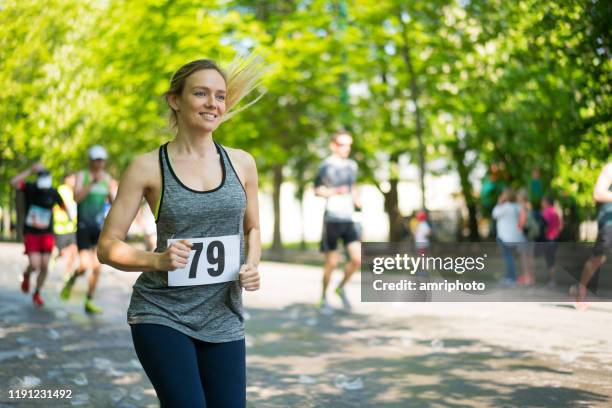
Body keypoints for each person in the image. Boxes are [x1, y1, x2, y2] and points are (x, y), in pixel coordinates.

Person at [97, 57, 263, 408]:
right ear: (175, 99)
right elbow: (108, 246)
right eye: (200, 93)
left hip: (224, 314)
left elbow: (252, 227)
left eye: (219, 96)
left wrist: (252, 264)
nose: (212, 103)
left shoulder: (243, 162)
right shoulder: (147, 166)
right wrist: (157, 260)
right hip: (162, 313)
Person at [60, 145, 117, 314]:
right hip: (84, 226)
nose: (100, 163)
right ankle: (71, 280)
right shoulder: (82, 176)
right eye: (96, 160)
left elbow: (114, 202)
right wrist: (92, 183)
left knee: (98, 267)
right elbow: (76, 198)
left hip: (99, 228)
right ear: (91, 161)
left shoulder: (107, 178)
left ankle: (89, 300)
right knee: (84, 266)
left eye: (102, 160)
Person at [314, 130, 362, 311]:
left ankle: (340, 288)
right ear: (333, 145)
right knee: (332, 263)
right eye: (342, 145)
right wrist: (335, 192)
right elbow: (317, 190)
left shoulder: (352, 165)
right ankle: (323, 297)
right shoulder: (326, 166)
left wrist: (356, 197)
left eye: (349, 145)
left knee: (357, 259)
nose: (346, 149)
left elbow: (353, 186)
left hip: (349, 219)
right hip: (332, 219)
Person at [10, 163, 67, 307]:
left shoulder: (53, 192)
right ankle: (27, 274)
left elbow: (64, 206)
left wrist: (64, 215)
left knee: (45, 266)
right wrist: (30, 170)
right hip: (31, 233)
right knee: (35, 265)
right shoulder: (30, 188)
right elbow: (13, 182)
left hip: (47, 234)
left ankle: (37, 293)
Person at [572, 162, 612, 306]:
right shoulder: (610, 168)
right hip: (609, 222)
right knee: (599, 257)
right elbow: (598, 193)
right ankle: (580, 288)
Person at [492, 188, 527, 284]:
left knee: (508, 257)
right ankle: (512, 276)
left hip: (504, 236)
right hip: (514, 236)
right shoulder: (516, 206)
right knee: (510, 256)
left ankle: (511, 278)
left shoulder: (505, 206)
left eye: (503, 194)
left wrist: (499, 203)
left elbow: (494, 214)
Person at [52, 173, 79, 280]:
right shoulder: (61, 190)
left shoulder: (76, 191)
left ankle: (67, 273)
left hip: (73, 227)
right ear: (66, 179)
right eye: (72, 178)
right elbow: (55, 207)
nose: (74, 181)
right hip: (61, 228)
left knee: (74, 251)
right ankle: (55, 256)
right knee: (63, 252)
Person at [540, 196, 563, 286]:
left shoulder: (546, 212)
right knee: (552, 258)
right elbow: (560, 225)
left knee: (550, 259)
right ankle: (551, 279)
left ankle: (552, 280)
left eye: (542, 201)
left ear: (546, 202)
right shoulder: (555, 211)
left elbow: (544, 226)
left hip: (548, 238)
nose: (541, 203)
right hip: (555, 238)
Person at [516, 189, 535, 285]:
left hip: (523, 235)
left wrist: (517, 227)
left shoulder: (521, 207)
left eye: (518, 196)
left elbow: (521, 222)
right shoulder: (529, 206)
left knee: (524, 257)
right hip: (531, 234)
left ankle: (526, 277)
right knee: (530, 256)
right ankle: (531, 277)